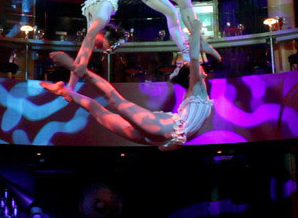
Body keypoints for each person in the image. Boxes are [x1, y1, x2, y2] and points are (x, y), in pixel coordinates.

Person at [42, 17, 212, 151]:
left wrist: (196, 31)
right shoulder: (196, 90)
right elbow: (194, 58)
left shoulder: (197, 89)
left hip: (162, 133)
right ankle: (72, 68)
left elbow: (194, 57)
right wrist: (195, 32)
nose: (200, 66)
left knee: (101, 111)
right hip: (162, 130)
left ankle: (65, 90)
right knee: (112, 102)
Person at [72, 0, 220, 88]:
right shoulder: (94, 20)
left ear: (105, 34)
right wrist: (71, 86)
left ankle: (200, 42)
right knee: (172, 13)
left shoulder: (101, 18)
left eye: (100, 45)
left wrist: (79, 71)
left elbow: (84, 51)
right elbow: (82, 55)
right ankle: (186, 52)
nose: (95, 46)